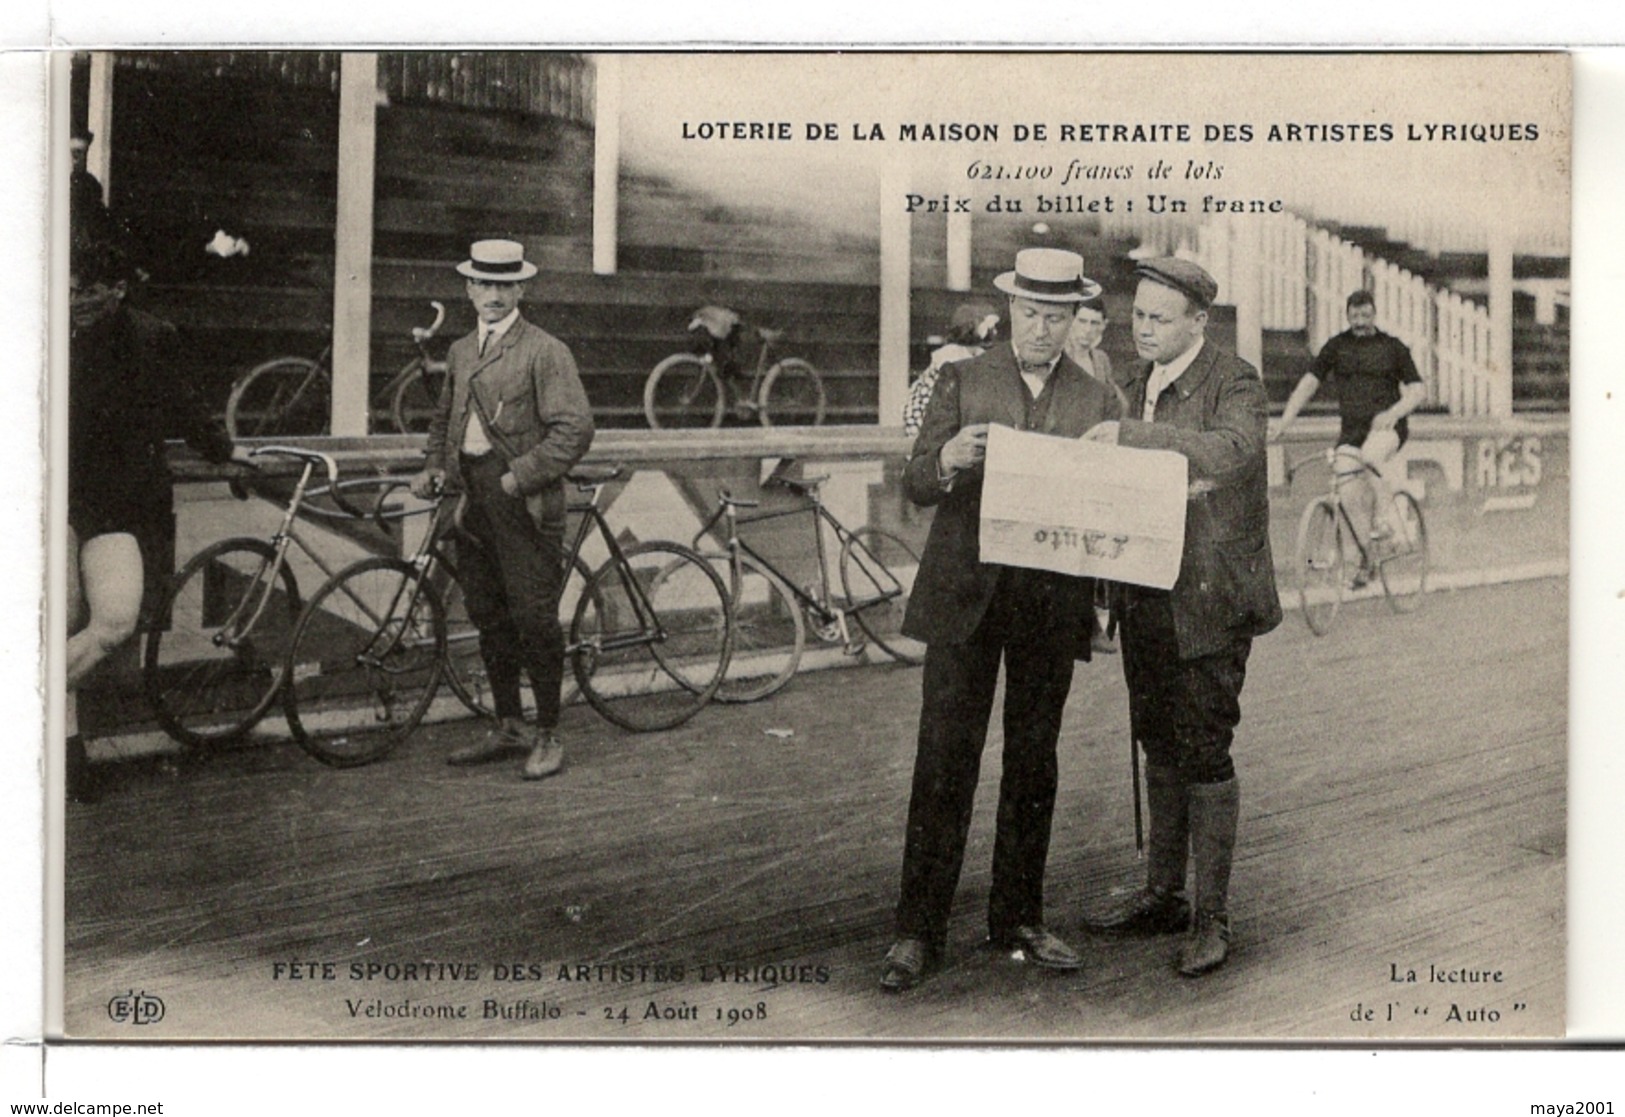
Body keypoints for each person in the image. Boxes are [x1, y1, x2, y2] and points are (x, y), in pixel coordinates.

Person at [879, 248, 1123, 992]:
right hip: (964, 597)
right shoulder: (960, 376)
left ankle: (1015, 915)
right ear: (1011, 310)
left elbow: (1110, 502)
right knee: (944, 759)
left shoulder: (1096, 398)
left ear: (1075, 317)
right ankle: (917, 930)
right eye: (1031, 313)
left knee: (1032, 759)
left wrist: (1108, 588)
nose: (1043, 329)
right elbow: (916, 482)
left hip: (1049, 602)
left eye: (1058, 316)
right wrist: (948, 454)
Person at [1081, 258, 1282, 977]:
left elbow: (1232, 452)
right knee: (1158, 740)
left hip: (1210, 596)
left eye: (1158, 317)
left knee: (1203, 745)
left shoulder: (1236, 380)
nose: (1141, 327)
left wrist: (1130, 439)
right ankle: (1162, 893)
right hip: (1143, 591)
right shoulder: (1130, 382)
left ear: (1198, 321)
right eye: (1136, 314)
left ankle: (1211, 914)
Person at [413, 240, 594, 781]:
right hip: (472, 498)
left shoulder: (545, 350)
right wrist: (433, 466)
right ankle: (510, 724)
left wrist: (520, 476)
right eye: (483, 284)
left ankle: (548, 733)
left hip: (522, 498)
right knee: (488, 614)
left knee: (534, 618)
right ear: (469, 287)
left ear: (521, 288)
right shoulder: (463, 350)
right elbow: (446, 418)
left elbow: (575, 429)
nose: (492, 295)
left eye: (503, 284)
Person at [66, 233, 238, 800]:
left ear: (118, 289)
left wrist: (222, 447)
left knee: (112, 624)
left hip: (112, 503)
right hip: (37, 498)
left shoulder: (148, 338)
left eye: (89, 291)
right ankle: (67, 753)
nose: (76, 301)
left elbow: (184, 405)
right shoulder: (30, 321)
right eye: (69, 290)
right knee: (53, 627)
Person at [1270, 289, 1426, 585]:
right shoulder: (1336, 347)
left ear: (1374, 314)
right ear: (1347, 316)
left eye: (1365, 315)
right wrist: (1284, 422)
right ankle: (1364, 561)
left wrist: (1394, 412)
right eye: (1354, 316)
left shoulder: (1392, 347)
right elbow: (1307, 384)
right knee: (1348, 493)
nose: (1360, 322)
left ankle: (1389, 519)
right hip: (1351, 433)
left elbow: (1418, 390)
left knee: (1371, 456)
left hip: (1387, 429)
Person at [1063, 296, 1126, 654]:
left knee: (1097, 539)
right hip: (1068, 457)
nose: (1086, 331)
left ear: (1102, 329)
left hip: (1096, 458)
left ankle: (1094, 620)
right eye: (1082, 322)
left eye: (1094, 324)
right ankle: (1080, 622)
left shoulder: (1100, 361)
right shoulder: (1060, 357)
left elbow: (1113, 403)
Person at [902, 302, 999, 437]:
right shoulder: (951, 354)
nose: (994, 332)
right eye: (990, 327)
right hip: (925, 416)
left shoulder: (977, 353)